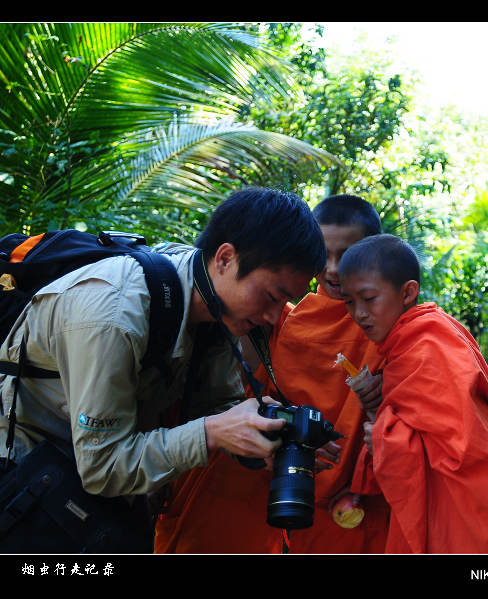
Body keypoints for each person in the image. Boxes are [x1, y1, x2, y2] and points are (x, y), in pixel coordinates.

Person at [0, 187, 326, 552]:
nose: (273, 316)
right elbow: (103, 467)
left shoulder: (211, 298)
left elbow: (216, 403)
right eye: (271, 296)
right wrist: (213, 433)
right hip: (30, 489)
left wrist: (262, 430)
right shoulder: (114, 316)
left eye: (285, 301)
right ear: (225, 258)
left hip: (90, 492)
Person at [153, 194, 390, 553]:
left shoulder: (389, 330)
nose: (333, 268)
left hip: (344, 495)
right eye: (323, 254)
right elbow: (235, 392)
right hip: (250, 474)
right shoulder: (278, 317)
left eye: (348, 255)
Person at [338, 234, 488, 554]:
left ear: (407, 292)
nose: (359, 313)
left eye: (368, 299)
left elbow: (464, 441)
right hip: (453, 491)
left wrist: (382, 436)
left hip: (464, 490)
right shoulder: (410, 340)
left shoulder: (429, 343)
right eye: (349, 301)